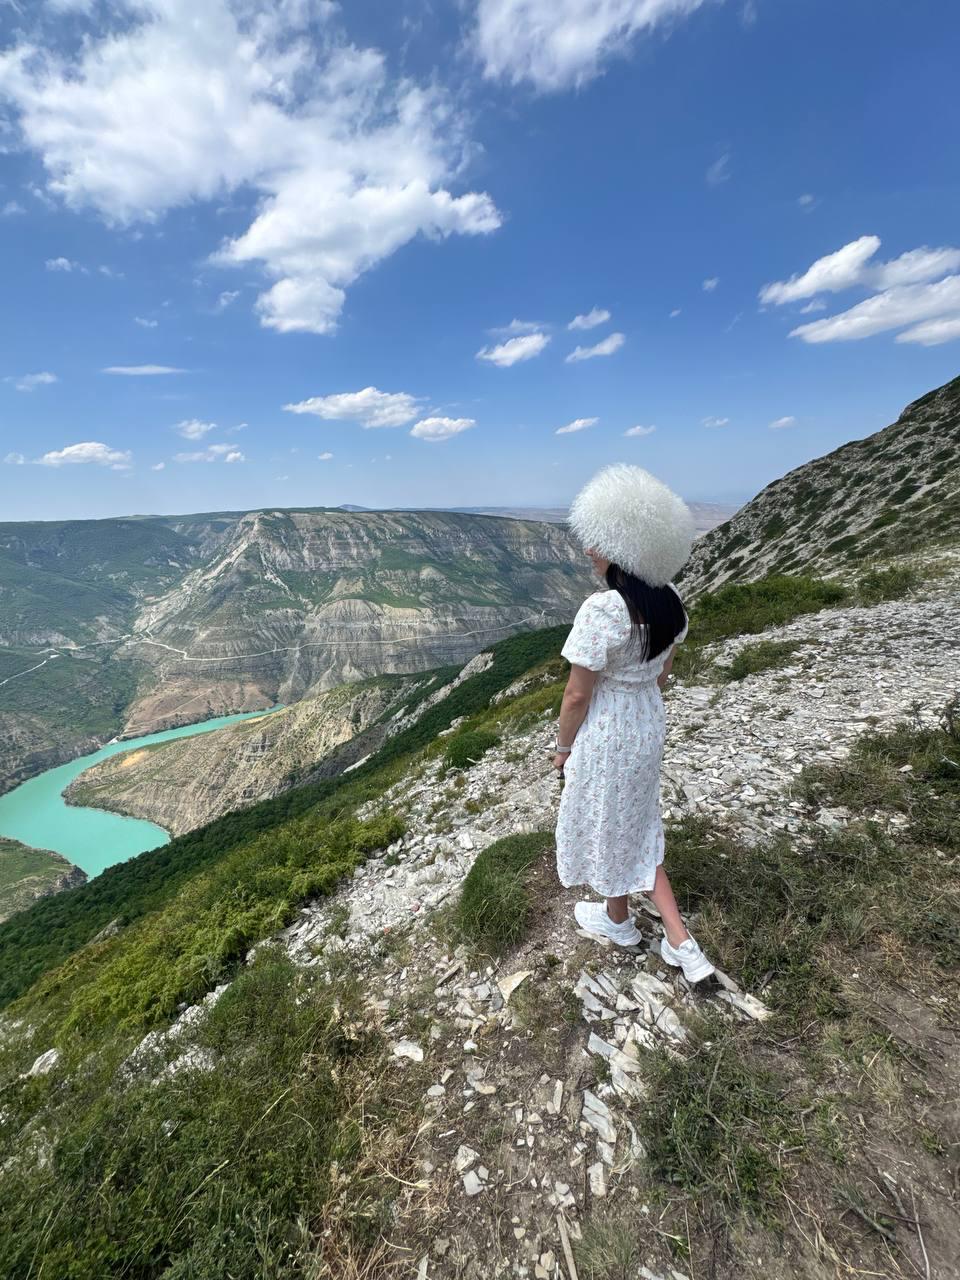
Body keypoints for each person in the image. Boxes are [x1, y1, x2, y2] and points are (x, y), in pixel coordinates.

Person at [552, 462, 715, 984]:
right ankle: (639, 926)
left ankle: (641, 928)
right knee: (635, 821)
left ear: (621, 548)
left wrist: (561, 747)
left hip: (610, 725)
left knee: (611, 818)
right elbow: (662, 673)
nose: (588, 551)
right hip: (648, 720)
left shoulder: (604, 609)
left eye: (596, 541)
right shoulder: (670, 605)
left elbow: (578, 692)